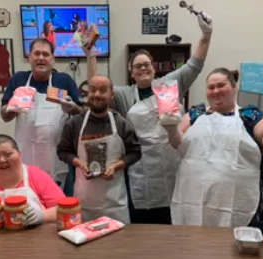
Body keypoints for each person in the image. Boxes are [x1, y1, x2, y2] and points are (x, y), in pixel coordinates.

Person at [82, 14, 213, 224]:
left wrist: (206, 35)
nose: (143, 68)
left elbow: (195, 65)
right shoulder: (124, 95)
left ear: (153, 68)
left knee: (172, 221)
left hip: (171, 166)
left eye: (146, 65)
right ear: (131, 72)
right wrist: (90, 55)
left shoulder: (171, 83)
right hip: (139, 171)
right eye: (137, 66)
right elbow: (96, 87)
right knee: (142, 225)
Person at [165, 68, 263, 228]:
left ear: (234, 86)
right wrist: (170, 126)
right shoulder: (195, 113)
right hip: (192, 200)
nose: (215, 91)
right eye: (211, 87)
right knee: (193, 247)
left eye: (221, 85)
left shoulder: (249, 115)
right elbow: (176, 143)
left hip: (237, 204)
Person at [0, 38, 83, 192]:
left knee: (59, 200)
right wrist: (10, 108)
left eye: (45, 54)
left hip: (56, 155)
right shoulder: (19, 79)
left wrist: (71, 107)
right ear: (29, 57)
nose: (41, 58)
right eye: (36, 53)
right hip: (26, 153)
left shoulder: (63, 80)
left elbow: (82, 113)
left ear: (53, 59)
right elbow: (5, 116)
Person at [57, 75, 142, 224]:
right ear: (87, 93)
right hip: (84, 201)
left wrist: (116, 166)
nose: (97, 95)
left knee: (116, 245)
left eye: (103, 90)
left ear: (111, 94)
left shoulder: (122, 124)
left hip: (115, 203)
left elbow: (135, 152)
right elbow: (63, 151)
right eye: (93, 90)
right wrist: (79, 163)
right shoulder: (74, 124)